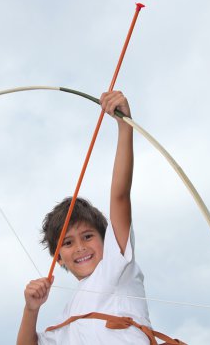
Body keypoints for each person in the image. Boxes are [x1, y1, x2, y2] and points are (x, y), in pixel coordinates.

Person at [17, 91, 183, 345]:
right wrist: (31, 309)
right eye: (68, 242)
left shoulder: (114, 266)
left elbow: (120, 196)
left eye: (87, 236)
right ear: (57, 258)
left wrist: (124, 126)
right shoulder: (67, 319)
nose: (80, 247)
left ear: (106, 241)